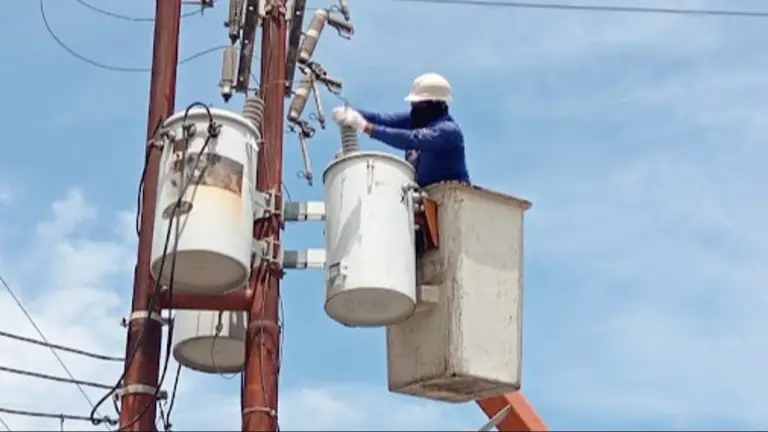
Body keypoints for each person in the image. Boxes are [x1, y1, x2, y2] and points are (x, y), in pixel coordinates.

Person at [331, 73, 470, 187]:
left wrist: (366, 127)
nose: (413, 108)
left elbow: (411, 139)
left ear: (434, 104)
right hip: (427, 198)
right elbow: (384, 119)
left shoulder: (448, 131)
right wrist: (352, 113)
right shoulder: (418, 119)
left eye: (418, 104)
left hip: (453, 200)